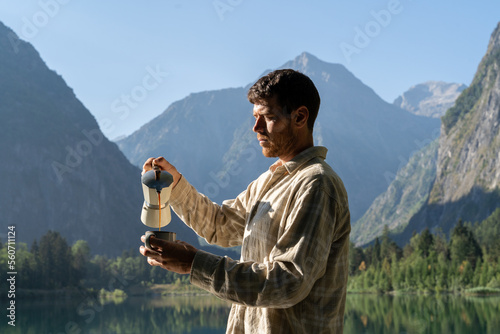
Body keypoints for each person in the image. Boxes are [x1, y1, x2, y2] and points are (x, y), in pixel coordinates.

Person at [139, 69, 351, 333]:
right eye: (255, 118)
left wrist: (193, 263)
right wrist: (175, 185)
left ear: (299, 117)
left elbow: (287, 282)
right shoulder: (268, 182)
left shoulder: (317, 184)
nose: (256, 128)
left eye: (268, 118)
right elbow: (220, 225)